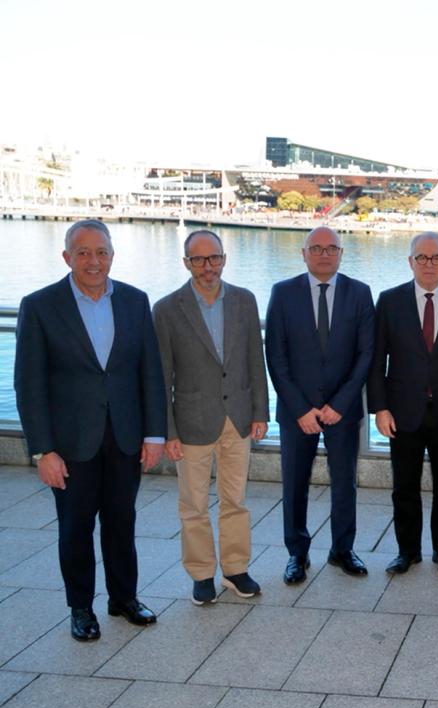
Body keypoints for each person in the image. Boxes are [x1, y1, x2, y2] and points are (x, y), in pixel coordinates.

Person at [14, 219, 166, 641]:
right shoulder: (41, 305)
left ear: (112, 256)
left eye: (101, 252)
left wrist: (154, 435)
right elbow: (29, 384)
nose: (93, 261)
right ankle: (80, 607)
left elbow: (149, 373)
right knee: (75, 529)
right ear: (67, 258)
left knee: (122, 522)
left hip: (124, 437)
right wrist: (43, 450)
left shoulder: (135, 302)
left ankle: (124, 598)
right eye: (83, 253)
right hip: (70, 443)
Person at [153, 229, 269, 605]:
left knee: (236, 500)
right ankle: (202, 574)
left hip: (237, 418)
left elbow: (255, 360)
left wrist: (260, 413)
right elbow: (162, 375)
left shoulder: (244, 301)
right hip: (191, 422)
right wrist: (166, 431)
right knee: (194, 505)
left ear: (224, 258)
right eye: (199, 260)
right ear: (186, 263)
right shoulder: (167, 309)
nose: (208, 267)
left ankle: (235, 569)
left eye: (214, 258)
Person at [265, 226, 375, 584]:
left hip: (343, 411)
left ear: (342, 253)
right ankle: (297, 553)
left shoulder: (360, 293)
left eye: (332, 248)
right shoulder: (283, 293)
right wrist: (299, 408)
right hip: (297, 412)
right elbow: (276, 357)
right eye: (317, 248)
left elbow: (365, 354)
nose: (325, 254)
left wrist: (341, 404)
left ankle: (342, 550)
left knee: (345, 483)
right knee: (294, 483)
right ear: (303, 253)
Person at [369, 232, 438, 576]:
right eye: (421, 257)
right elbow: (377, 359)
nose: (429, 264)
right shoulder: (389, 301)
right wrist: (380, 408)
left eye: (436, 258)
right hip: (402, 412)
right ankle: (407, 551)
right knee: (404, 487)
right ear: (410, 261)